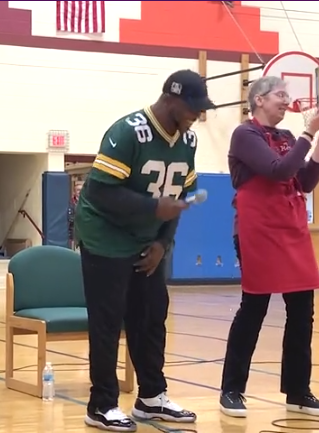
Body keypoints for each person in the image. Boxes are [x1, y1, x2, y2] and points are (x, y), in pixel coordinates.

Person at [73, 69, 215, 432]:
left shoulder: (190, 141)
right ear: (170, 98)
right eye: (191, 108)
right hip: (105, 235)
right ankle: (101, 404)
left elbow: (179, 200)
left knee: (152, 315)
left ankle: (152, 397)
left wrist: (161, 244)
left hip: (146, 239)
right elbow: (102, 191)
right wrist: (154, 209)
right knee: (108, 320)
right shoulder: (127, 132)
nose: (196, 116)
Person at [218, 75, 319, 418]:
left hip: (292, 229)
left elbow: (304, 180)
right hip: (258, 231)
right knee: (252, 311)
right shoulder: (246, 134)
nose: (287, 101)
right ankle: (231, 389)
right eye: (280, 95)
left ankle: (298, 391)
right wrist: (308, 133)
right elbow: (277, 170)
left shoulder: (286, 137)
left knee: (303, 313)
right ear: (258, 100)